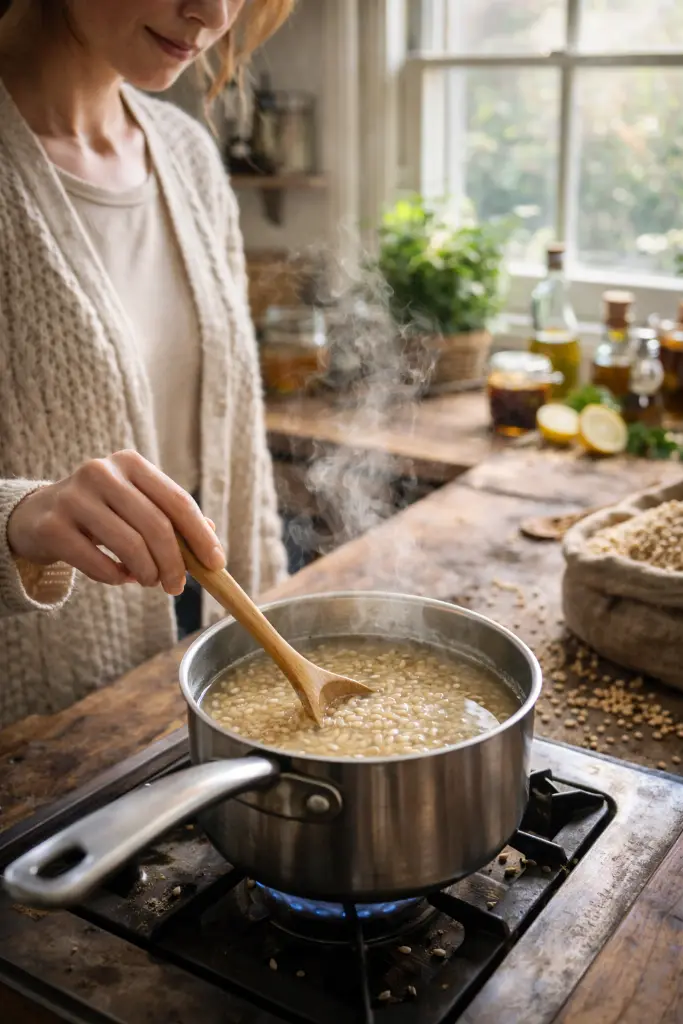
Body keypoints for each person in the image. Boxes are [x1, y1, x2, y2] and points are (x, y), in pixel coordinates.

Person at [0, 0, 293, 729]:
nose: (212, 14)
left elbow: (239, 438)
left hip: (215, 641)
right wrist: (18, 517)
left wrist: (275, 619)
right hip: (39, 727)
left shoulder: (186, 151)